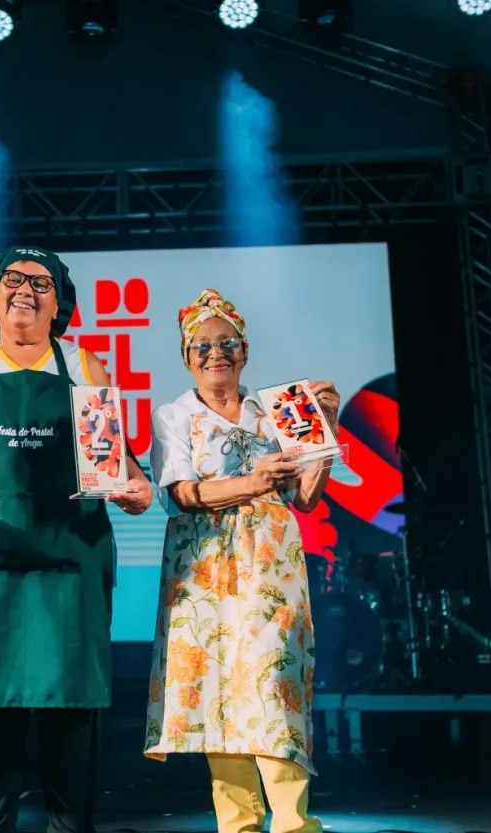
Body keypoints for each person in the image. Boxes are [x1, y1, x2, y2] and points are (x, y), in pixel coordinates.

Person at [0, 246, 153, 833]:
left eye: (41, 283)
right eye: (13, 280)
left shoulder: (85, 367)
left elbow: (112, 454)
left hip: (70, 561)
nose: (25, 291)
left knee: (71, 708)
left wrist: (137, 487)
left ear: (59, 304)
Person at [144, 288, 341, 833]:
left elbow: (305, 498)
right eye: (203, 345)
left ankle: (292, 822)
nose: (216, 354)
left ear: (245, 351)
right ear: (187, 356)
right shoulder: (173, 415)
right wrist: (254, 482)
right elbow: (180, 493)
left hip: (270, 562)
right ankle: (238, 823)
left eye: (227, 343)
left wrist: (327, 429)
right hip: (202, 565)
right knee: (214, 691)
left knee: (277, 679)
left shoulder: (277, 410)